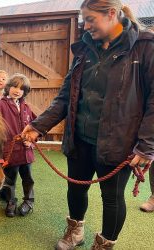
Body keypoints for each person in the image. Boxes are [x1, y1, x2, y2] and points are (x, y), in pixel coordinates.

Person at [21, 0, 154, 248]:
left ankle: (104, 245)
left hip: (119, 143)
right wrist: (39, 125)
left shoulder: (145, 47)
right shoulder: (84, 49)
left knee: (112, 198)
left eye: (91, 19)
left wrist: (147, 145)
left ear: (112, 14)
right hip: (80, 137)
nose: (86, 25)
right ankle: (75, 233)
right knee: (75, 189)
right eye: (84, 19)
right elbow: (66, 95)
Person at [0, 74, 36, 217]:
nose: (17, 91)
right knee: (10, 179)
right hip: (10, 152)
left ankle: (29, 201)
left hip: (26, 151)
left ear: (25, 92)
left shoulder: (26, 107)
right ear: (8, 88)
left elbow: (36, 126)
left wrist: (31, 140)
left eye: (21, 89)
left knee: (28, 178)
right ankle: (11, 202)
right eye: (14, 87)